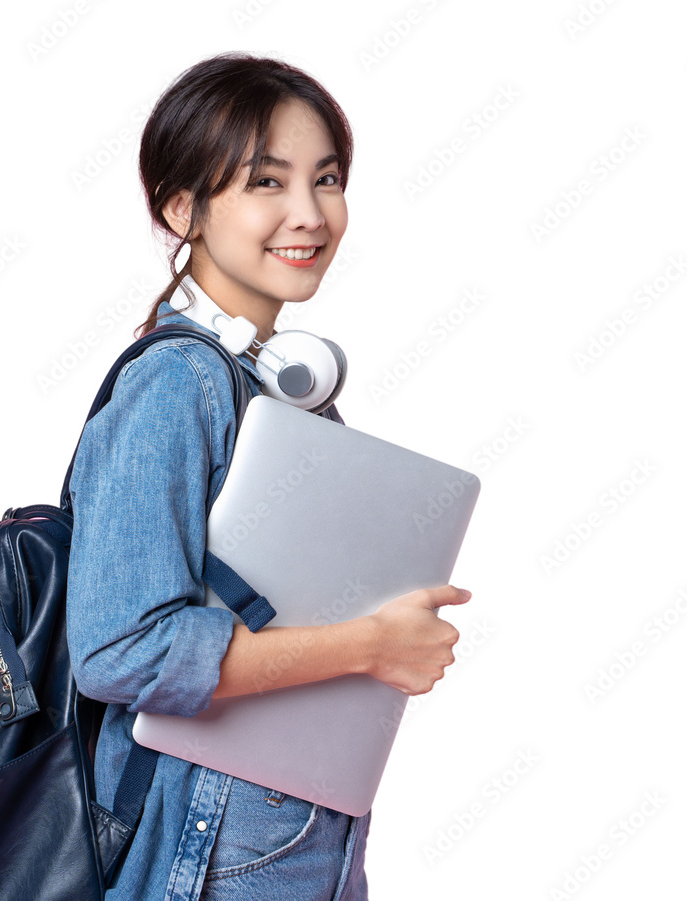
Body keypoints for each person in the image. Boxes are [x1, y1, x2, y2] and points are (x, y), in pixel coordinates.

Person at [65, 52, 472, 901]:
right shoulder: (177, 385)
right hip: (210, 842)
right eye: (266, 181)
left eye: (326, 179)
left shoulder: (269, 384)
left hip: (292, 823)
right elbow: (119, 648)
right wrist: (371, 645)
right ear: (184, 208)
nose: (309, 213)